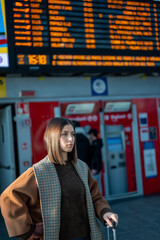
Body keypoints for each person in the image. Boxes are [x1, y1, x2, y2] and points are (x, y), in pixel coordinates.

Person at [0, 117, 118, 240]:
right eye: (65, 134)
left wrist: (105, 212)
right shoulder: (39, 171)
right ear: (53, 137)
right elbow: (8, 197)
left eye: (73, 134)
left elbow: (95, 197)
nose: (71, 139)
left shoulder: (82, 167)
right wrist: (27, 230)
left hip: (87, 236)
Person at [88, 128, 103, 192]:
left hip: (95, 168)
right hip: (98, 168)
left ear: (92, 135)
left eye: (89, 135)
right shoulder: (97, 143)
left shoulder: (95, 144)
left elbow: (96, 157)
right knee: (98, 185)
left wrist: (94, 168)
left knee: (95, 187)